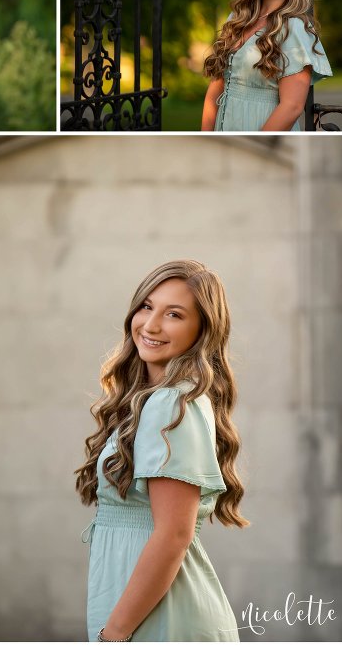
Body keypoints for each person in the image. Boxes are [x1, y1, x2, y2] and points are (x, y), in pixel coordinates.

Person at [76, 259, 247, 643]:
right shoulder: (155, 402)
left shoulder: (172, 404)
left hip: (161, 624)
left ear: (202, 331)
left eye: (174, 314)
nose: (151, 325)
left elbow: (173, 533)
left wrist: (114, 634)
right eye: (146, 306)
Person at [201, 0, 331, 132]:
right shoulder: (237, 19)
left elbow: (292, 107)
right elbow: (215, 89)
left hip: (265, 141)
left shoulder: (294, 28)